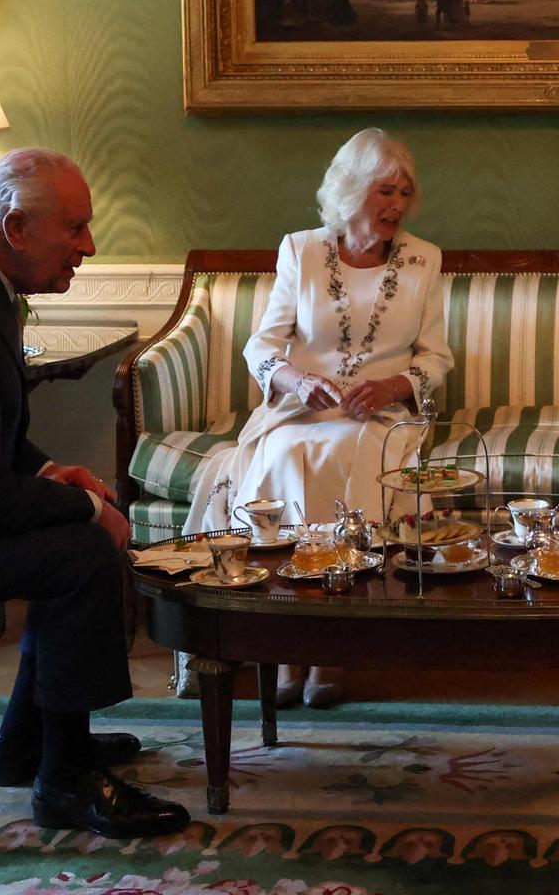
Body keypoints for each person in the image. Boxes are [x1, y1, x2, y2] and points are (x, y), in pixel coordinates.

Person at [0, 149, 189, 839]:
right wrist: (88, 508)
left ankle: (29, 746)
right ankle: (65, 781)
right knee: (78, 554)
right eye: (75, 229)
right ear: (17, 228)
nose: (89, 247)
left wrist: (55, 472)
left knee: (73, 536)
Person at [183, 128, 453, 707]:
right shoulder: (301, 250)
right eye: (385, 191)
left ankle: (330, 646)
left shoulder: (423, 259)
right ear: (352, 191)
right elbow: (262, 347)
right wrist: (297, 381)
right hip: (297, 412)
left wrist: (392, 386)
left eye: (405, 193)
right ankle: (286, 647)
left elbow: (435, 358)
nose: (398, 206)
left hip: (377, 419)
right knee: (284, 454)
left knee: (354, 454)